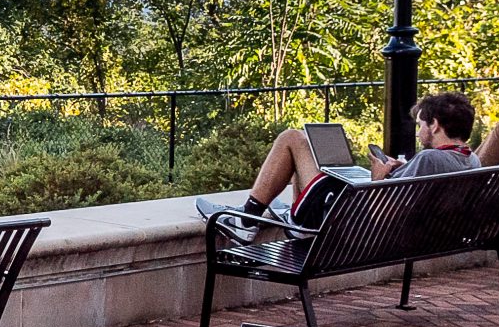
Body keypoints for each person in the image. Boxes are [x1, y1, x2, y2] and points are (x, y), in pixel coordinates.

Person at [199, 90, 479, 238]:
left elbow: (383, 215)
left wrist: (379, 176)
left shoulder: (431, 159)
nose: (418, 133)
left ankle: (246, 219)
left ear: (435, 125)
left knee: (293, 138)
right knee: (319, 159)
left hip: (350, 227)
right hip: (413, 235)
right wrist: (396, 171)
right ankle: (286, 215)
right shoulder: (472, 160)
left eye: (421, 126)